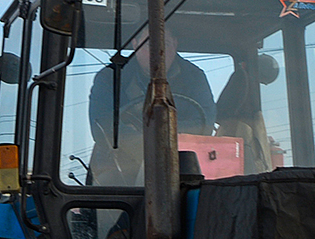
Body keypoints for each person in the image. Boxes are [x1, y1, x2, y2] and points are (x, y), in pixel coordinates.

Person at [86, 28, 217, 186]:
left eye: (166, 44)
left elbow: (204, 123)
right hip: (120, 167)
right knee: (107, 187)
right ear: (135, 44)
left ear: (175, 44)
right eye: (149, 44)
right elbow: (103, 126)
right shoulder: (109, 78)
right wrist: (144, 148)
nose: (158, 52)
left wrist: (148, 135)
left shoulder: (195, 77)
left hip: (181, 166)